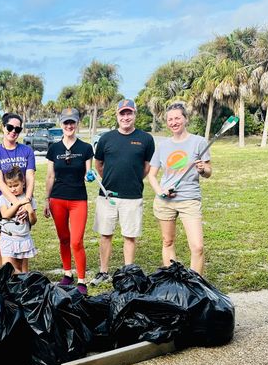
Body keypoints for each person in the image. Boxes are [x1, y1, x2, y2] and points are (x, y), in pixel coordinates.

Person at [90, 99, 155, 286]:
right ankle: (103, 272)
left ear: (135, 115)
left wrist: (133, 179)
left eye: (129, 113)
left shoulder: (146, 139)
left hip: (133, 196)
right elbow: (99, 164)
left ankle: (128, 272)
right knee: (105, 234)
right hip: (108, 195)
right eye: (122, 114)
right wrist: (110, 180)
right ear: (117, 116)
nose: (126, 117)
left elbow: (146, 167)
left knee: (129, 235)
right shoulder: (106, 139)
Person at [147, 102, 212, 275]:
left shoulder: (198, 142)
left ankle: (195, 285)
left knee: (197, 247)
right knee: (168, 242)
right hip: (165, 201)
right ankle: (172, 282)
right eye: (170, 119)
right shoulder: (163, 145)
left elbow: (208, 172)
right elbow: (151, 175)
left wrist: (202, 169)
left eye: (177, 118)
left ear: (185, 119)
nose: (174, 122)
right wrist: (160, 191)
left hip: (189, 200)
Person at [43, 108, 94, 295]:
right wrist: (46, 200)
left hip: (78, 199)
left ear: (77, 123)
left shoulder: (86, 148)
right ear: (61, 124)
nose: (69, 126)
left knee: (76, 241)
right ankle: (67, 274)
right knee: (63, 238)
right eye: (66, 122)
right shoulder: (54, 149)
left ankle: (81, 280)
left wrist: (90, 176)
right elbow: (50, 176)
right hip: (57, 199)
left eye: (72, 122)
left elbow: (89, 172)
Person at [0, 113, 36, 271]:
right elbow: (0, 183)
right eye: (10, 127)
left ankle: (22, 278)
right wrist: (17, 204)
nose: (13, 131)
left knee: (21, 239)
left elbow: (30, 176)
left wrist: (26, 201)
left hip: (24, 201)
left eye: (17, 128)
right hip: (2, 203)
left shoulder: (26, 150)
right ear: (3, 127)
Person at [0, 166, 37, 274]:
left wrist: (30, 211)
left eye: (16, 185)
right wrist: (19, 203)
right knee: (7, 268)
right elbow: (5, 215)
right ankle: (10, 288)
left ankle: (20, 288)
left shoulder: (29, 198)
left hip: (23, 239)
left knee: (21, 269)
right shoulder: (4, 198)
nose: (13, 189)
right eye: (9, 186)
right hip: (8, 238)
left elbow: (33, 221)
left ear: (23, 182)